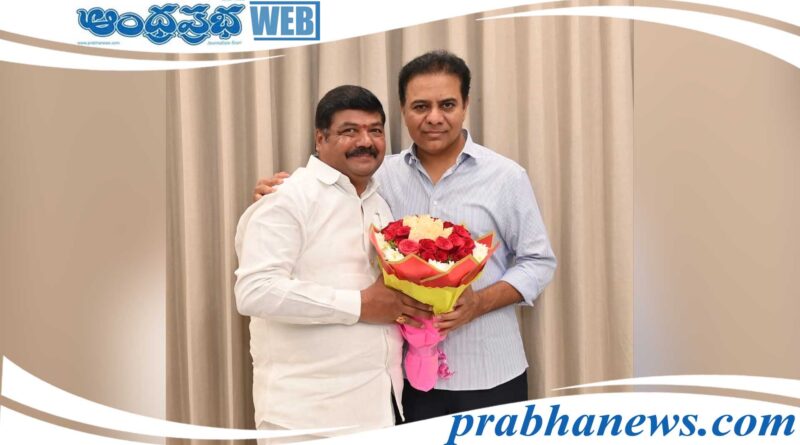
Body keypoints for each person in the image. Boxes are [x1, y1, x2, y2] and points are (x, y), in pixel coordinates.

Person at [254, 51, 557, 421]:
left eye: (447, 105)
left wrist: (479, 303)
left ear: (465, 105)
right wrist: (278, 192)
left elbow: (538, 261)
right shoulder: (376, 176)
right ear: (403, 110)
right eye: (420, 106)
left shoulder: (506, 177)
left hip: (491, 370)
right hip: (404, 381)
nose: (434, 117)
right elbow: (323, 190)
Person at [234, 85, 433, 443]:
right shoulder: (288, 198)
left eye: (375, 130)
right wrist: (359, 305)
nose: (365, 141)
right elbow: (255, 291)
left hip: (378, 410)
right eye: (349, 131)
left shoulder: (378, 203)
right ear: (320, 139)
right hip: (306, 418)